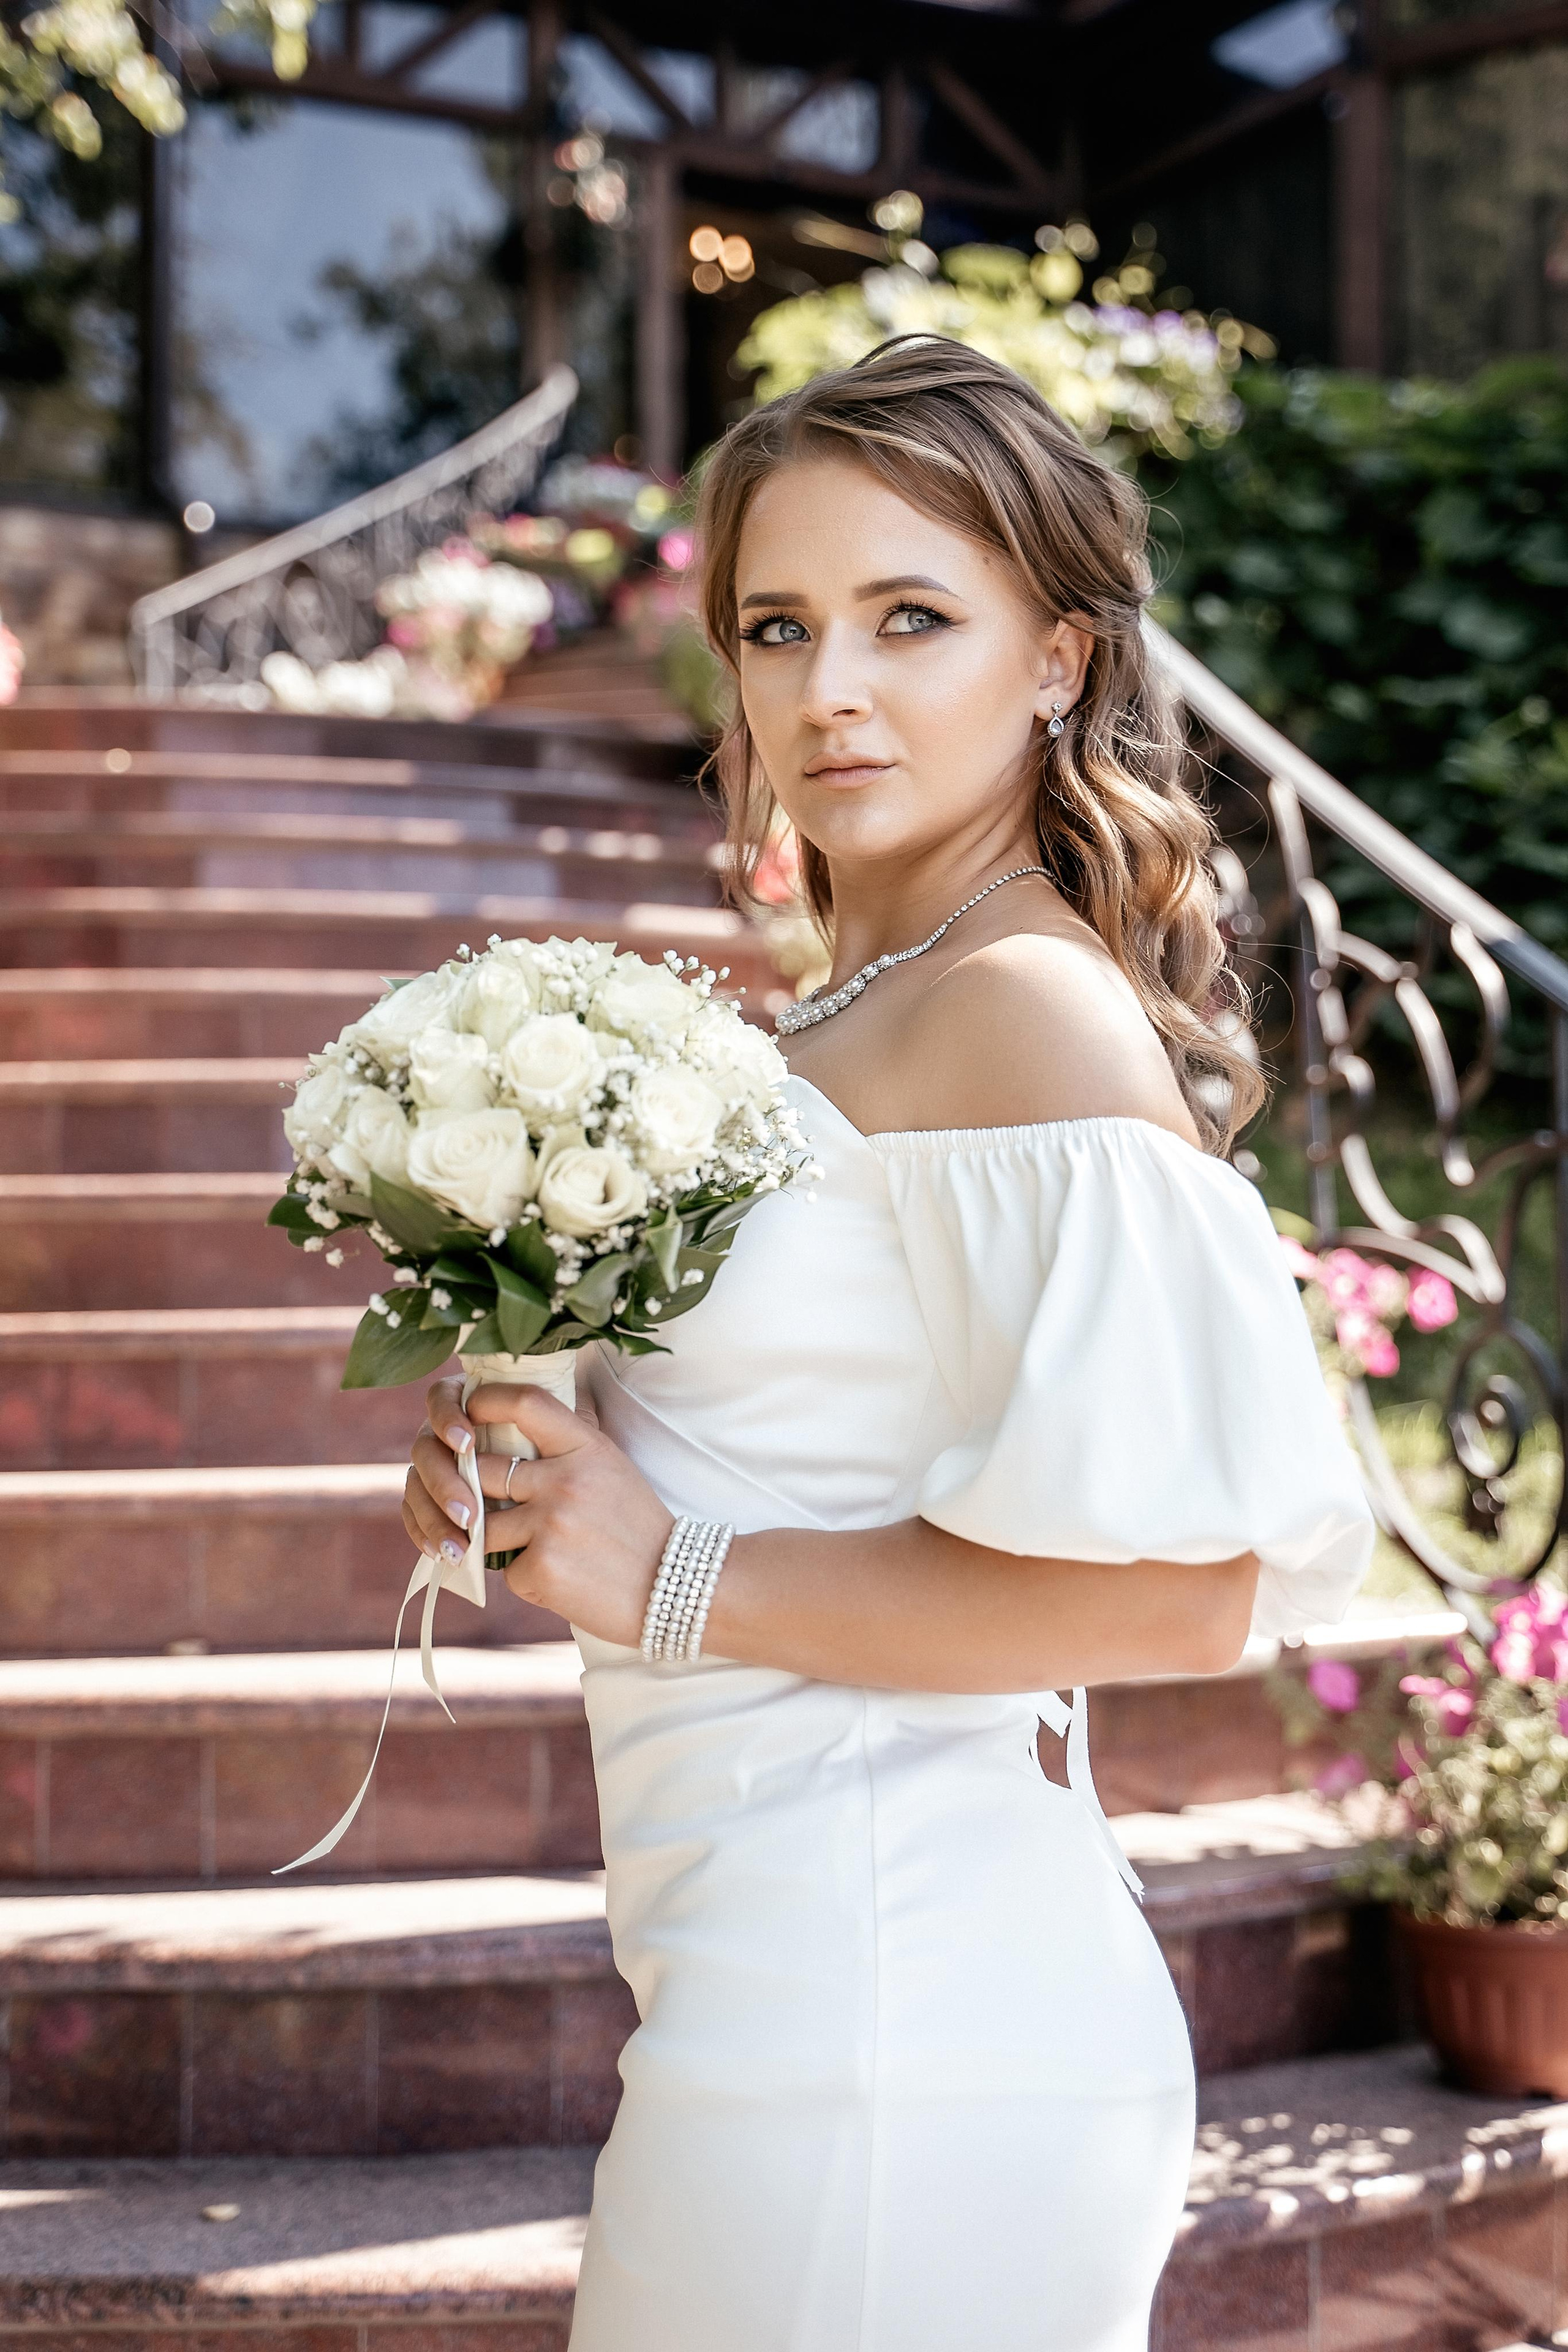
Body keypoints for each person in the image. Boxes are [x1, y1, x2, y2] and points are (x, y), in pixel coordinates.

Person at [400, 336, 1374, 2352]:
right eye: (778, 625)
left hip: (903, 2021)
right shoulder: (839, 1018)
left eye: (910, 618)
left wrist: (662, 1569)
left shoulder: (1023, 1006)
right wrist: (523, 1445)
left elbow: (1191, 1594)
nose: (828, 688)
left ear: (1061, 661)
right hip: (777, 1978)